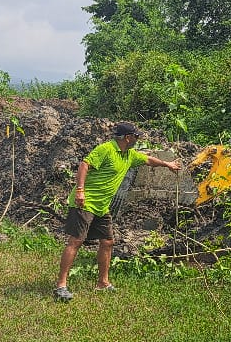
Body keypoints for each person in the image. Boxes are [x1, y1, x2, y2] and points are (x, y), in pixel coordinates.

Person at [53, 122, 181, 302]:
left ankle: (103, 283)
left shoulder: (129, 155)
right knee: (76, 241)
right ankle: (61, 285)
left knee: (107, 241)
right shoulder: (106, 149)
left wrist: (167, 164)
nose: (137, 139)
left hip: (102, 206)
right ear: (128, 137)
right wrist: (80, 190)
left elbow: (148, 159)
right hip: (85, 202)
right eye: (136, 136)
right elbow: (84, 165)